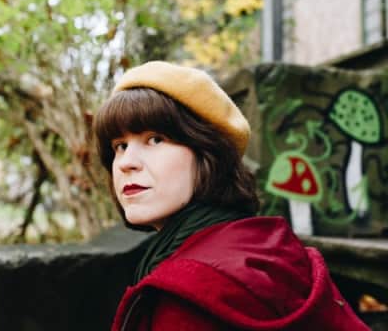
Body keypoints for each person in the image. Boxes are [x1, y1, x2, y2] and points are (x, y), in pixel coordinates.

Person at [94, 61, 370, 331]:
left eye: (155, 139)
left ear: (208, 154)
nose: (126, 163)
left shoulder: (184, 300)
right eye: (119, 146)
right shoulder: (265, 247)